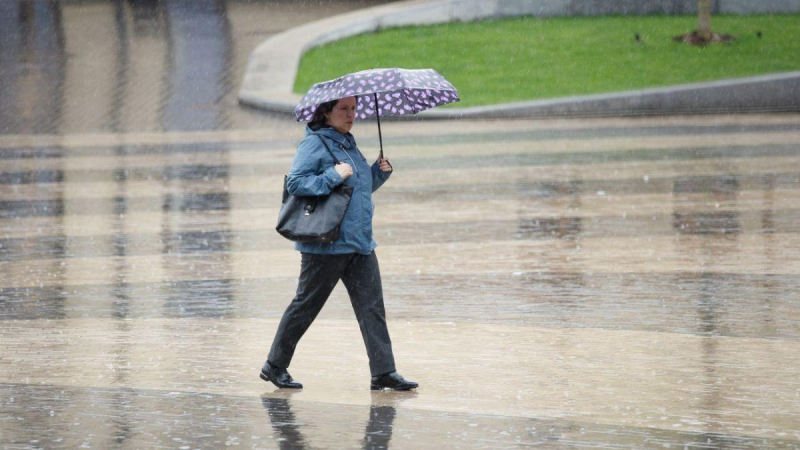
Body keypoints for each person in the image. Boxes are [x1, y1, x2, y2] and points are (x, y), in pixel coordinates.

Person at [260, 96, 418, 391]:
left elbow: (356, 190)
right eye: (344, 109)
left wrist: (378, 174)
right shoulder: (315, 143)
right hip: (326, 244)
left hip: (359, 242)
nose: (351, 115)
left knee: (372, 307)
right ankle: (274, 365)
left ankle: (383, 371)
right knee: (306, 305)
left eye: (354, 109)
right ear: (326, 112)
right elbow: (296, 183)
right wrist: (333, 174)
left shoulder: (348, 143)